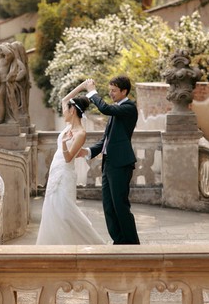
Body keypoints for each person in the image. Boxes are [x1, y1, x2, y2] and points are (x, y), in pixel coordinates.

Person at [36, 81, 106, 245]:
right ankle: (53, 245)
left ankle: (92, 243)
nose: (63, 111)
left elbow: (68, 158)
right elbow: (65, 99)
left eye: (67, 109)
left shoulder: (80, 133)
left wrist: (63, 144)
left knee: (66, 212)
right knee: (52, 209)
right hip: (55, 172)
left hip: (65, 174)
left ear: (72, 110)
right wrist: (82, 87)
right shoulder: (68, 126)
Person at [80, 76, 140, 245]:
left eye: (114, 91)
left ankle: (132, 244)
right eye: (110, 90)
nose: (111, 94)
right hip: (109, 163)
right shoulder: (117, 109)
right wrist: (89, 150)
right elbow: (107, 139)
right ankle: (119, 241)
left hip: (121, 164)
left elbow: (104, 108)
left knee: (120, 206)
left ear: (124, 91)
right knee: (108, 206)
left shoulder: (128, 108)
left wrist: (91, 91)